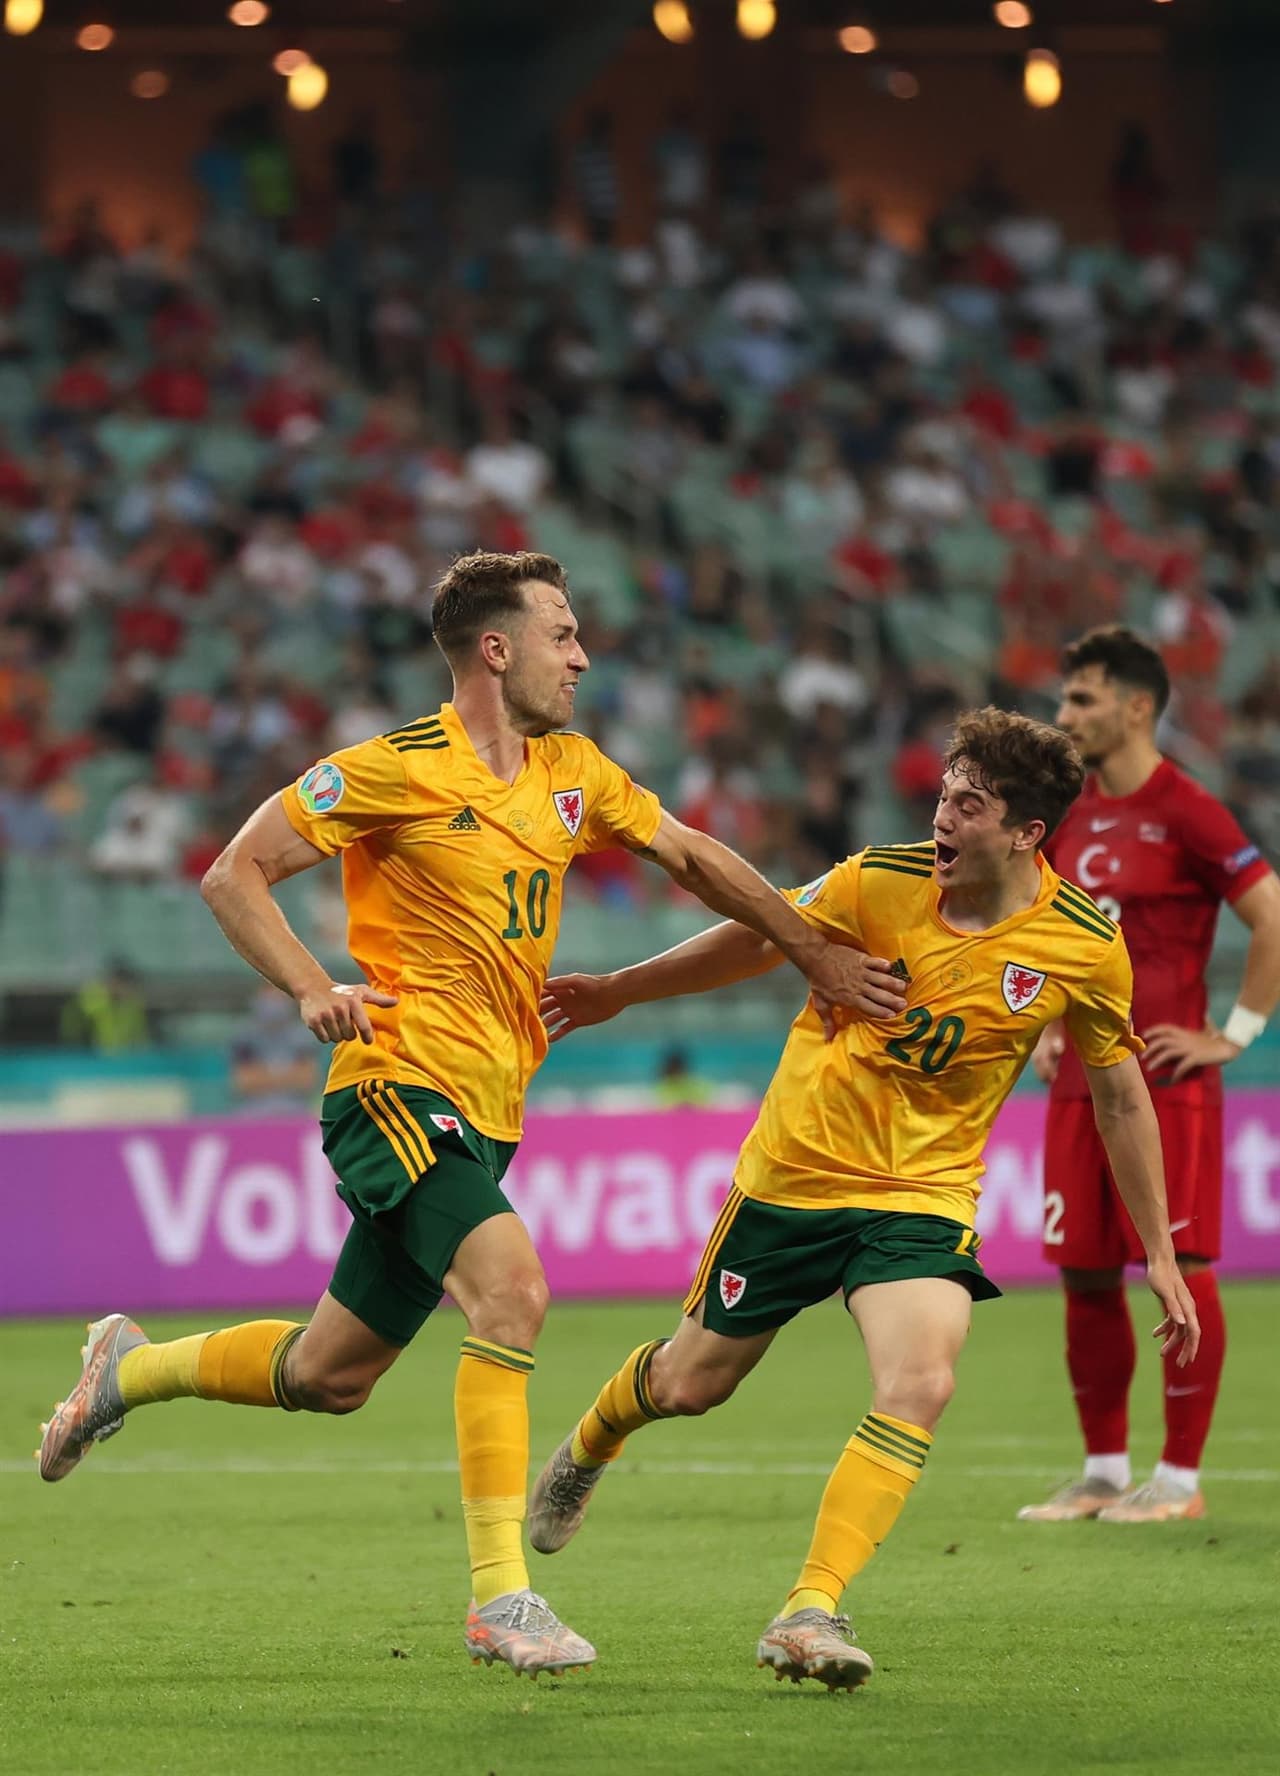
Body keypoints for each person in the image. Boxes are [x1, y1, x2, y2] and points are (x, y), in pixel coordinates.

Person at [36, 549, 899, 1678]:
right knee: (513, 1292)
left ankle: (127, 1369)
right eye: (562, 633)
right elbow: (233, 873)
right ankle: (503, 1598)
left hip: (485, 1112)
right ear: (495, 650)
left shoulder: (573, 771)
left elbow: (688, 856)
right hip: (392, 1085)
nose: (581, 655)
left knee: (329, 1377)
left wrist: (807, 949)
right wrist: (309, 984)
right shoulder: (393, 769)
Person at [528, 707, 1200, 1691]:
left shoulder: (1080, 943)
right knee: (689, 1386)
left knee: (921, 1381)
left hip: (920, 1197)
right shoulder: (872, 880)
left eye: (968, 804)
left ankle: (809, 1608)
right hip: (792, 1179)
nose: (942, 817)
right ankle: (593, 1439)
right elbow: (762, 940)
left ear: (1025, 834)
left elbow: (1116, 1090)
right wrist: (621, 990)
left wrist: (1160, 1250)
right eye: (941, 794)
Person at [1018, 626, 1280, 1525]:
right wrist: (1047, 1021)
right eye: (1065, 699)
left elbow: (1270, 913)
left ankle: (1176, 1479)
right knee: (1084, 1274)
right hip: (1074, 1085)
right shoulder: (1067, 817)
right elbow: (1043, 938)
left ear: (1137, 707)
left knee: (1183, 1264)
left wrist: (1233, 1034)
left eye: (1082, 699)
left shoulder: (1189, 810)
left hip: (1166, 1083)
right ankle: (1100, 1471)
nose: (1065, 716)